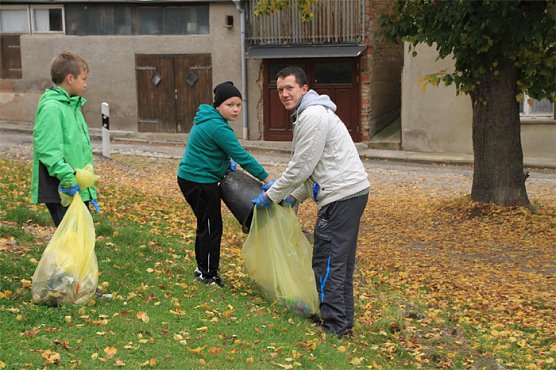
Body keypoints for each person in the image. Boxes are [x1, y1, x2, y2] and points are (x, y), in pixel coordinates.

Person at [252, 66, 370, 337]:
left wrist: (273, 195)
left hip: (341, 196)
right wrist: (295, 196)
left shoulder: (313, 115)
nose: (284, 94)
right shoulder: (311, 113)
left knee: (326, 260)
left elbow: (302, 166)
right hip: (350, 192)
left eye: (289, 88)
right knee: (340, 263)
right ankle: (343, 324)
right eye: (280, 89)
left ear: (304, 89)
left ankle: (334, 327)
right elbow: (315, 167)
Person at [178, 81, 272, 287]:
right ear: (218, 105)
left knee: (206, 224)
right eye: (230, 104)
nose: (236, 109)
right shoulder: (218, 127)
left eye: (239, 104)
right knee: (212, 227)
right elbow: (243, 157)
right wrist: (267, 180)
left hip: (193, 177)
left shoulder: (209, 119)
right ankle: (208, 275)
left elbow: (214, 150)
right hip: (199, 180)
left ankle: (202, 267)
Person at [31, 51, 99, 227]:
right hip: (62, 189)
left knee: (80, 244)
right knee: (71, 246)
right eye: (83, 79)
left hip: (76, 188)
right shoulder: (52, 108)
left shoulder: (72, 106)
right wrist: (67, 177)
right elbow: (47, 150)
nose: (86, 84)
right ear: (70, 78)